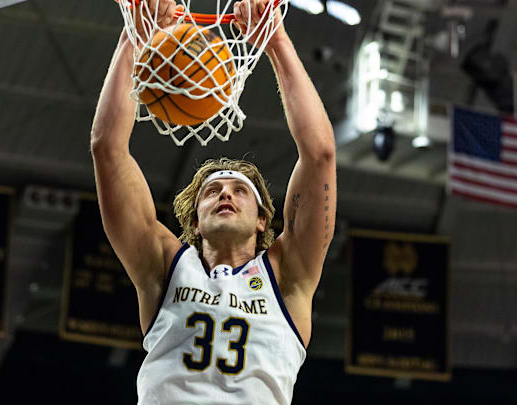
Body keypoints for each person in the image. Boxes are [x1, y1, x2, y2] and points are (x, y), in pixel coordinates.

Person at [90, 0, 336, 403]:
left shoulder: (288, 275)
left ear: (262, 221)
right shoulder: (163, 265)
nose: (225, 193)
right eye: (211, 191)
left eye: (240, 191)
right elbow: (107, 149)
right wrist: (134, 35)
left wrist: (274, 40)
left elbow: (320, 155)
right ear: (195, 221)